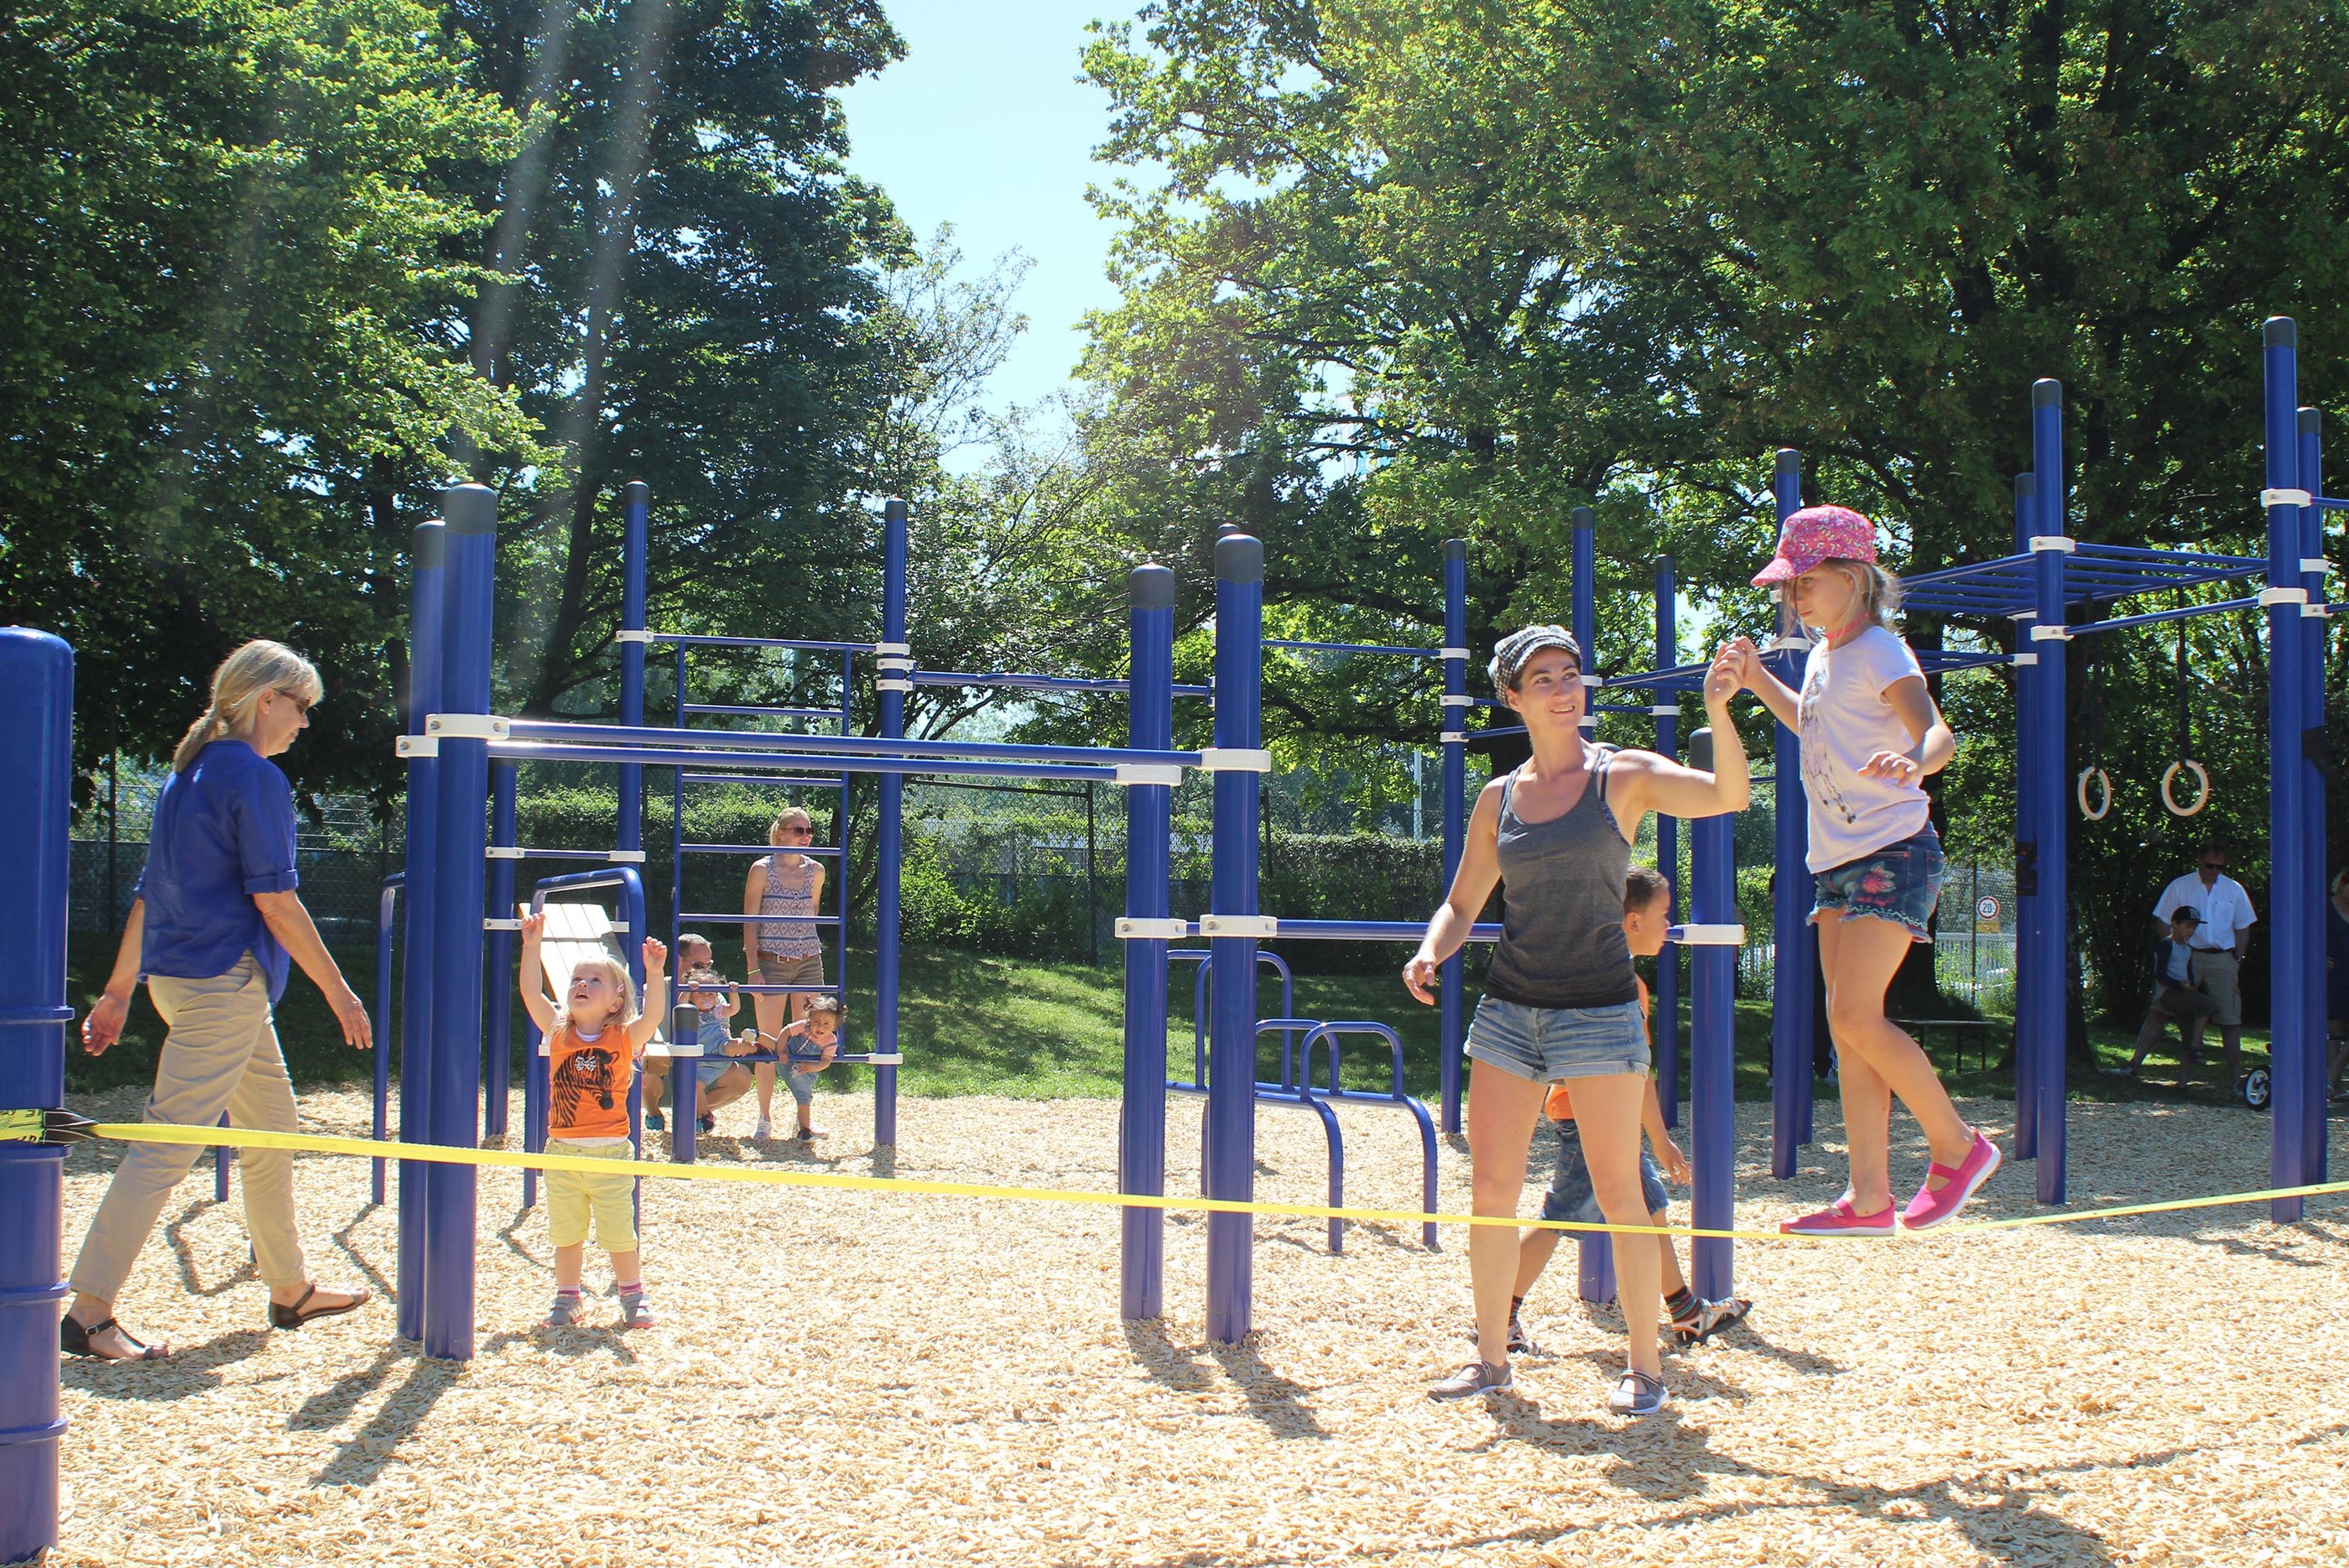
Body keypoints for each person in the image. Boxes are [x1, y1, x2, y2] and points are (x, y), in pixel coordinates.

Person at [1407, 623, 1750, 1418]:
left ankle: (1645, 1368)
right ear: (1515, 696)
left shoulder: (1621, 774)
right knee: (1490, 1191)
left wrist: (1721, 712)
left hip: (1599, 1010)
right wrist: (1431, 951)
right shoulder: (1501, 797)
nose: (1565, 687)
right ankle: (1491, 1359)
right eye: (1546, 677)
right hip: (1510, 1011)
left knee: (1621, 1192)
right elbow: (1463, 902)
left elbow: (1727, 794)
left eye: (1572, 673)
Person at [65, 640, 374, 1362]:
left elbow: (150, 894)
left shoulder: (190, 773)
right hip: (222, 987)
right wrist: (339, 989)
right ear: (267, 698)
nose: (305, 724)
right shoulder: (252, 777)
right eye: (302, 707)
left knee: (275, 1126)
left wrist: (117, 993)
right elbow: (276, 901)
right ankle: (88, 1311)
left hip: (186, 982)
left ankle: (289, 1286)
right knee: (166, 1146)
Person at [1726, 503, 2000, 1240]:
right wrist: (1757, 681)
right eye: (1789, 586)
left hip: (1893, 849)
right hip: (1838, 863)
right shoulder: (1822, 657)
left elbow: (1937, 732)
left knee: (1852, 1015)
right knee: (1850, 1031)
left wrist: (1914, 759)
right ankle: (1870, 1197)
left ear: (1853, 577)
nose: (1794, 597)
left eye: (1806, 581)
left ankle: (1958, 1145)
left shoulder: (1880, 650)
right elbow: (1813, 724)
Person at [1507, 866, 1752, 1353]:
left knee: (1650, 1208)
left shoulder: (1619, 980)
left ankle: (1685, 1310)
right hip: (1588, 1114)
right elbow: (1633, 1072)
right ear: (1632, 921)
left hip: (1593, 1112)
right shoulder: (1620, 986)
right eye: (1663, 916)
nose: (1670, 927)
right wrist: (1660, 1140)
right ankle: (1497, 1314)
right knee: (1561, 1215)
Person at [518, 914, 667, 1328]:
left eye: (594, 981)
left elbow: (653, 1017)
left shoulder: (622, 1038)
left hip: (610, 1154)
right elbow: (531, 991)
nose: (581, 984)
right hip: (562, 1153)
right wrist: (531, 947)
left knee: (619, 1233)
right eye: (576, 980)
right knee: (566, 1234)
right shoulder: (558, 1030)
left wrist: (654, 974)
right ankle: (568, 1297)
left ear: (615, 1003)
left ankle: (632, 1294)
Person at [743, 808, 827, 1141]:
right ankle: (764, 1117)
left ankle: (803, 1120)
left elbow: (814, 911)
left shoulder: (816, 870)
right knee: (767, 1041)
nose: (804, 836)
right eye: (797, 830)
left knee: (809, 1040)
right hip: (771, 961)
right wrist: (753, 969)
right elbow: (749, 920)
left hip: (808, 960)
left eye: (809, 831)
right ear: (780, 832)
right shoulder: (762, 869)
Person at [2150, 843, 2258, 1093]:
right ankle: (2182, 1080)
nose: (2214, 871)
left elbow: (2243, 926)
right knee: (2167, 1010)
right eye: (2210, 865)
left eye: (2220, 867)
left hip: (2222, 957)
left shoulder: (2234, 889)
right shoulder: (2181, 886)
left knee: (2230, 1018)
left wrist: (2237, 959)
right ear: (2200, 862)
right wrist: (2172, 952)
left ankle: (2235, 1081)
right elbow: (2164, 922)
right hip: (2189, 955)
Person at [641, 934, 754, 1135]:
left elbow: (721, 1031)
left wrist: (733, 1047)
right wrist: (664, 1050)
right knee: (652, 1062)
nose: (705, 971)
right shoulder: (656, 990)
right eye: (699, 965)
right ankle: (654, 1112)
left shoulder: (712, 994)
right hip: (665, 1068)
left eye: (708, 965)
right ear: (678, 960)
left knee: (741, 1077)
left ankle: (697, 1111)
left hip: (700, 1068)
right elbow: (646, 1030)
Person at [2115, 909, 2221, 1081]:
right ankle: (2195, 1047)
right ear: (2175, 924)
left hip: (2182, 994)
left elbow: (2188, 974)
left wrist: (2191, 986)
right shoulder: (2166, 945)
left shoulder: (2187, 949)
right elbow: (2161, 974)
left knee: (2185, 1030)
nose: (2191, 931)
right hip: (2169, 993)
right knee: (2208, 1005)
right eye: (2188, 926)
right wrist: (2180, 985)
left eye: (2194, 928)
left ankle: (2183, 1082)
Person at [763, 995, 844, 1143]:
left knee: (804, 1099)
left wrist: (810, 1067)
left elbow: (826, 1061)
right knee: (772, 1044)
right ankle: (754, 1039)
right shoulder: (804, 1026)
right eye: (816, 1022)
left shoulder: (831, 1041)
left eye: (827, 1024)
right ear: (809, 1020)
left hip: (803, 1073)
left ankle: (804, 1131)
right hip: (787, 1058)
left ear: (835, 1026)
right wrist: (781, 1051)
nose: (820, 1027)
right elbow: (786, 1032)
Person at [2326, 870, 2349, 1102]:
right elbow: (2311, 936)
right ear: (2342, 883)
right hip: (2333, 975)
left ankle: (2330, 1076)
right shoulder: (2325, 908)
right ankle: (2335, 1086)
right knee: (2336, 1031)